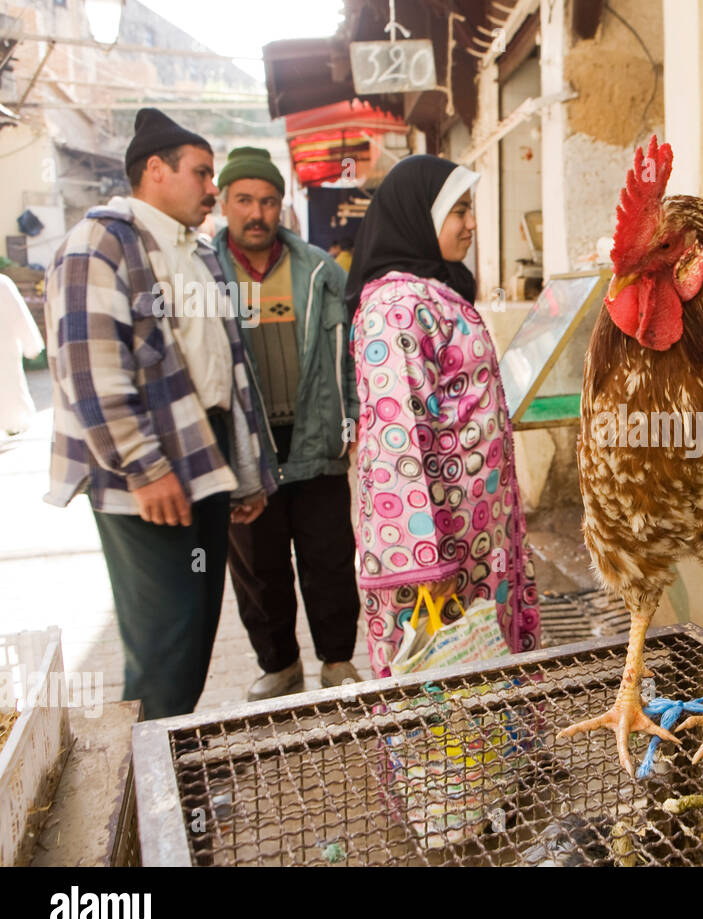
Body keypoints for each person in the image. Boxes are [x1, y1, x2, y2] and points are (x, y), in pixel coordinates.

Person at [44, 109, 276, 719]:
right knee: (164, 636)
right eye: (201, 174)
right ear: (155, 169)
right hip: (148, 469)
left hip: (205, 455)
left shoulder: (193, 252)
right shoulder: (100, 244)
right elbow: (89, 372)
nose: (211, 191)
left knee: (197, 623)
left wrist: (245, 473)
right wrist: (144, 468)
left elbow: (229, 371)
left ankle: (173, 777)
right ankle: (143, 798)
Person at [345, 155, 540, 678]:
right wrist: (424, 562)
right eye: (459, 210)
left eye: (470, 208)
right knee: (447, 691)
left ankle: (503, 761)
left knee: (482, 677)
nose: (472, 224)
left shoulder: (435, 294)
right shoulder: (396, 308)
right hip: (442, 553)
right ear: (418, 217)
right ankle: (472, 764)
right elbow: (396, 442)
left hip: (475, 539)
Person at [213, 147, 361, 699]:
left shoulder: (319, 270)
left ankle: (338, 660)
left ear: (282, 207)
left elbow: (347, 358)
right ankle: (279, 665)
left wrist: (349, 423)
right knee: (258, 567)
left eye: (268, 201)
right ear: (225, 203)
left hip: (316, 440)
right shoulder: (206, 273)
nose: (257, 212)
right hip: (246, 451)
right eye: (245, 200)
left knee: (328, 557)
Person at [0, 273, 43, 435]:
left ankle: (15, 422)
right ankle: (14, 422)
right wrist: (31, 345)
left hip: (5, 346)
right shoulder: (3, 283)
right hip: (5, 346)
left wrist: (31, 345)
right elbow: (19, 316)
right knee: (10, 385)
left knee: (10, 385)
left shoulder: (3, 283)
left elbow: (19, 315)